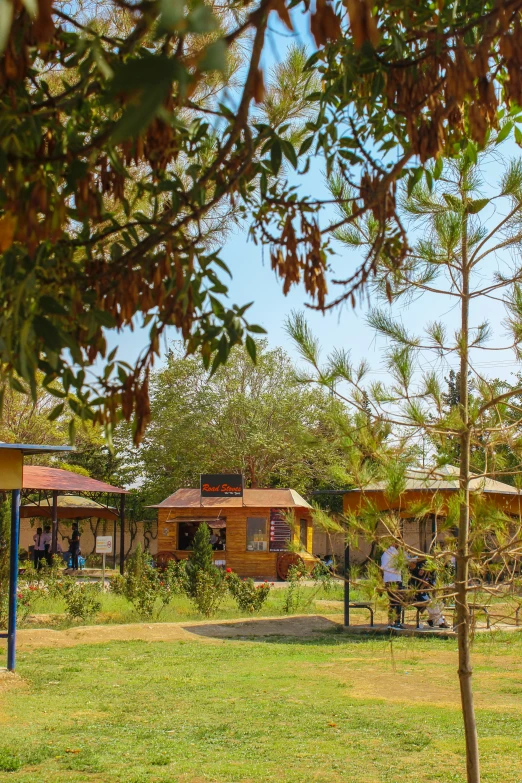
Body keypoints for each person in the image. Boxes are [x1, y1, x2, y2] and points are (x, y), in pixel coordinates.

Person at [381, 543, 404, 628]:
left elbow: (382, 567)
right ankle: (397, 621)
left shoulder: (385, 554)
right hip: (395, 579)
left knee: (392, 602)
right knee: (398, 601)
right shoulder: (395, 553)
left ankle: (390, 622)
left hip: (388, 580)